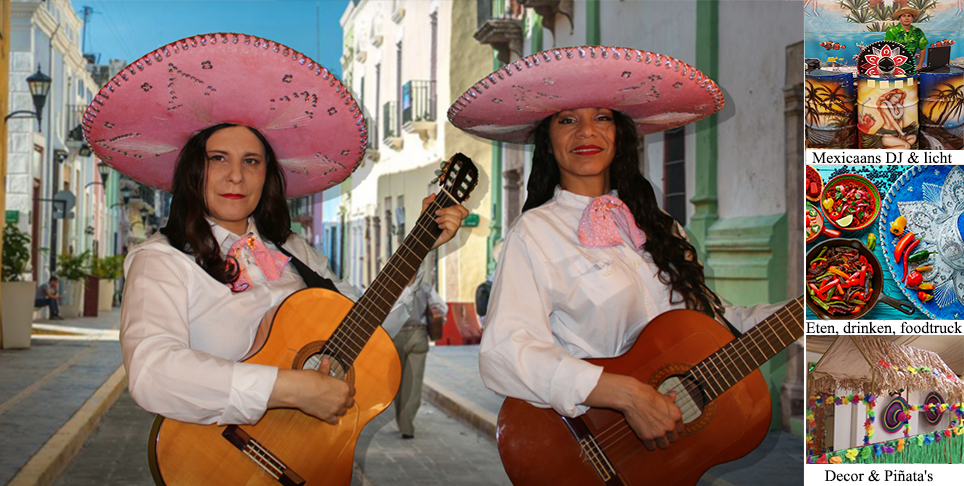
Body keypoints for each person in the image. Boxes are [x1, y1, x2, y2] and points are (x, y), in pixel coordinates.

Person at [83, 33, 469, 428]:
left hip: (309, 454)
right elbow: (152, 373)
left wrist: (419, 247)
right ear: (193, 171)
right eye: (219, 158)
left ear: (266, 175)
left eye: (251, 161)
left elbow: (361, 328)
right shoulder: (162, 260)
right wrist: (290, 388)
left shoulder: (295, 252)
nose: (236, 175)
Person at [449, 46, 786, 452]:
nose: (586, 132)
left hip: (669, 452)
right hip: (590, 448)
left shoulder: (661, 229)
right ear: (548, 139)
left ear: (619, 135)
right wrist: (625, 394)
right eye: (567, 120)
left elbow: (716, 320)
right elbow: (505, 351)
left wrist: (810, 313)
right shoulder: (534, 233)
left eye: (602, 118)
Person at [392, 276, 447, 439]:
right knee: (413, 383)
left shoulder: (391, 286)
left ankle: (401, 421)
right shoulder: (424, 287)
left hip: (394, 336)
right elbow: (441, 309)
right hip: (417, 335)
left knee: (397, 381)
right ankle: (407, 426)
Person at [884, 7, 928, 73]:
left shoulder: (917, 31)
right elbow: (887, 50)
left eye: (909, 16)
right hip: (895, 67)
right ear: (899, 18)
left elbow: (923, 48)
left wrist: (919, 65)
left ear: (912, 18)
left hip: (911, 66)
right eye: (904, 16)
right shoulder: (891, 31)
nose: (907, 18)